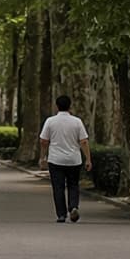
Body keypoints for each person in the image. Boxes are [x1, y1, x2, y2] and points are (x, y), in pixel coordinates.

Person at [38, 95, 92, 223]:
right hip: (74, 160)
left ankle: (61, 214)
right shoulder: (77, 121)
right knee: (73, 185)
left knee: (58, 187)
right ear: (70, 106)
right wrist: (88, 159)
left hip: (55, 160)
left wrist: (42, 157)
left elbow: (44, 141)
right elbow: (83, 141)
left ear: (56, 106)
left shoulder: (50, 121)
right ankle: (73, 206)